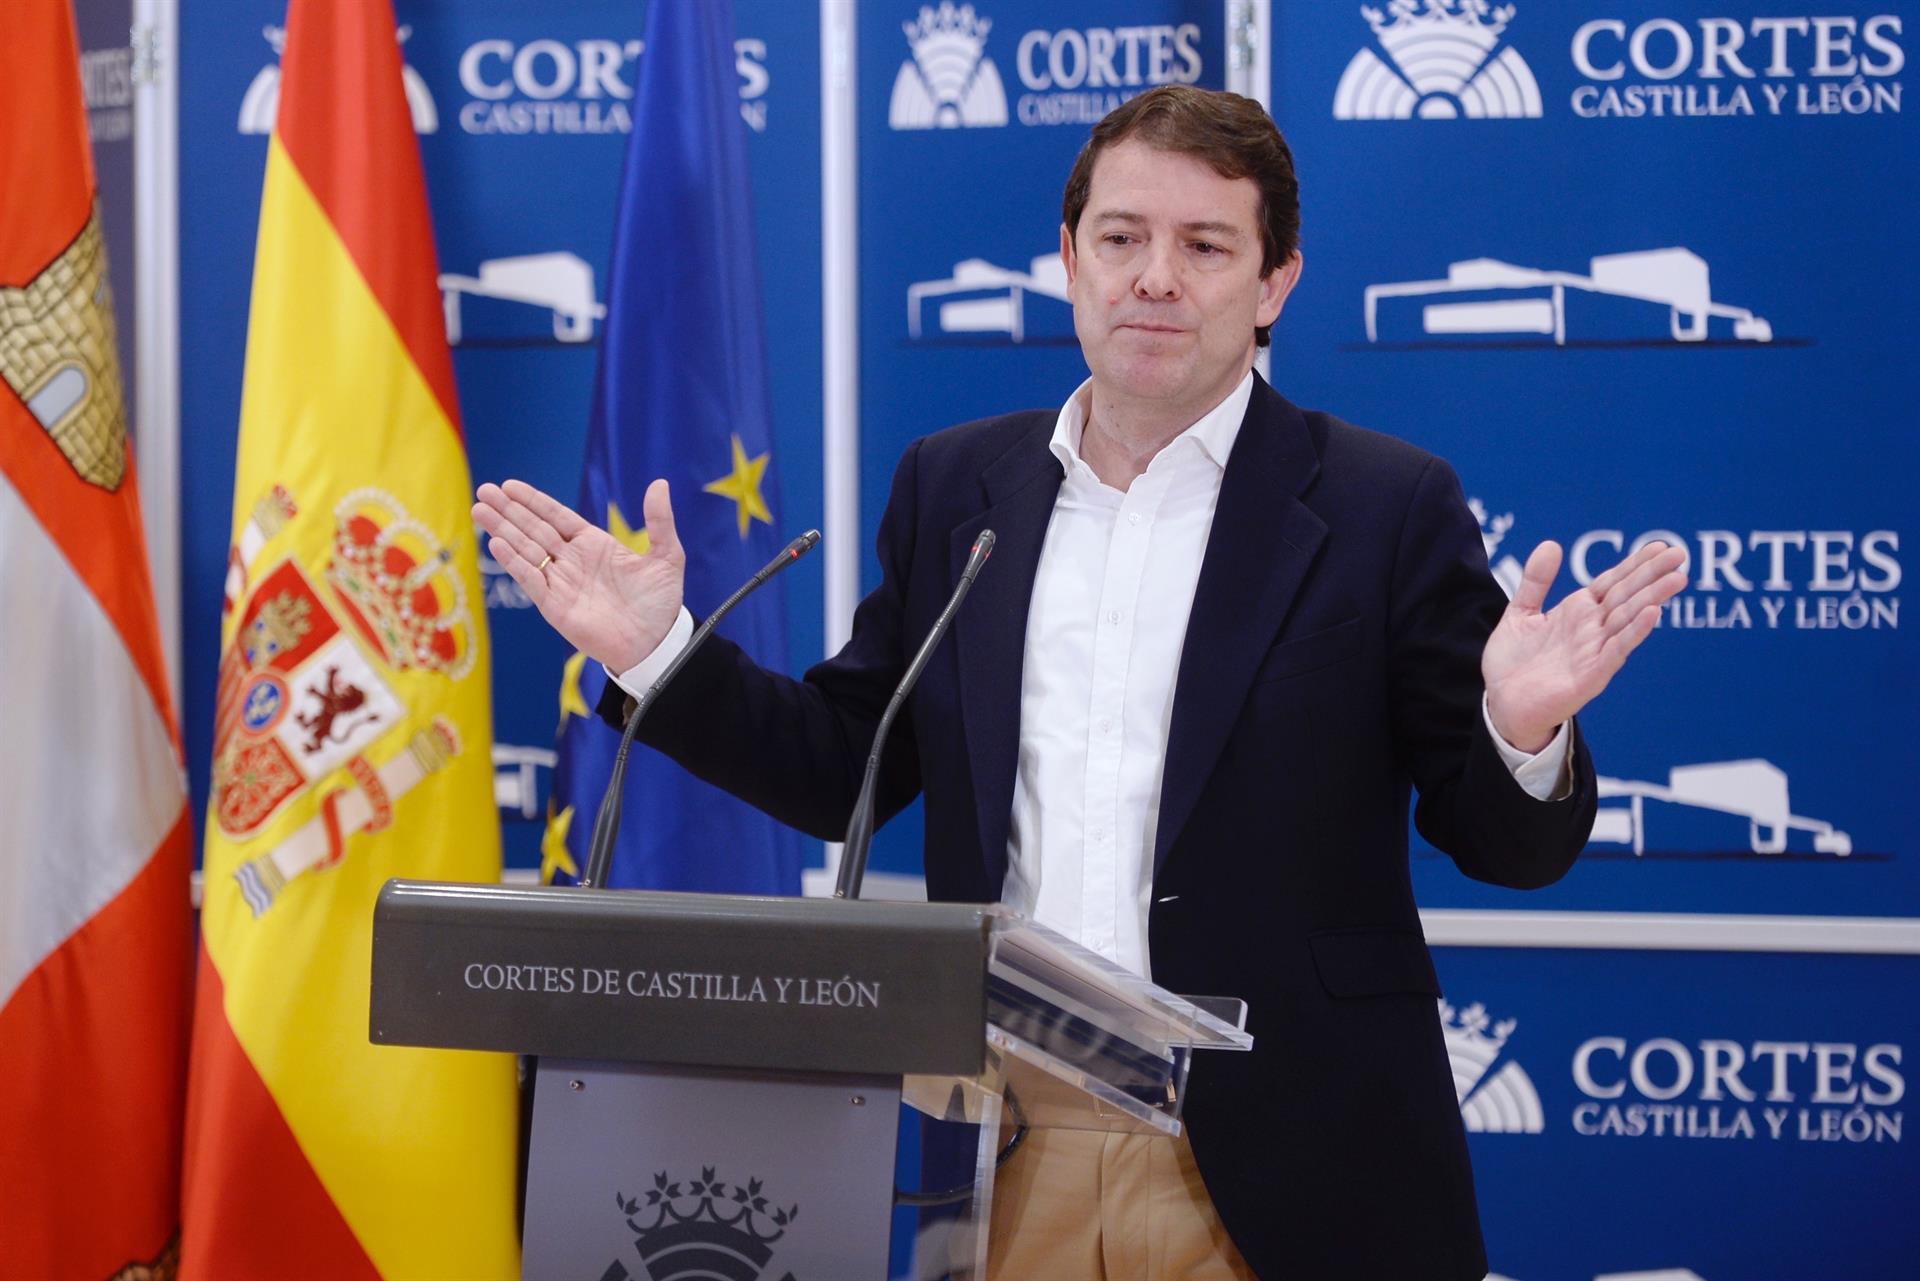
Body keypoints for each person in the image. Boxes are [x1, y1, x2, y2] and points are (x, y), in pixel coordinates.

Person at [475, 86, 1686, 1281]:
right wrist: (656, 652)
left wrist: (1521, 732)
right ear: (1070, 259)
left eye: (1205, 245)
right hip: (1014, 1140)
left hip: (1293, 1157)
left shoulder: (1383, 506)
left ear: (1274, 286)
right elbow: (842, 762)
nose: (1155, 276)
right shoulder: (957, 490)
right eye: (1121, 238)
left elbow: (1505, 846)